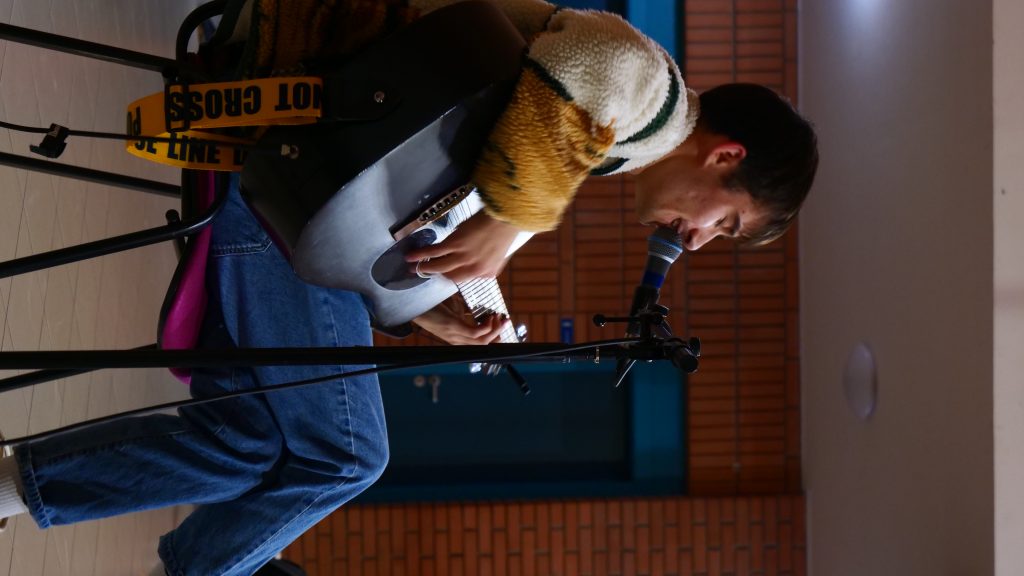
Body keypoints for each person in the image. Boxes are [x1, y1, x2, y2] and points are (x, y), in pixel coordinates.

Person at [0, 0, 818, 574]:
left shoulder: (604, 148)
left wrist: (430, 314)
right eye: (727, 223)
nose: (698, 239)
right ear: (726, 157)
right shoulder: (658, 103)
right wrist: (511, 220)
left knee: (253, 444)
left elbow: (404, 200)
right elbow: (595, 55)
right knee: (346, 457)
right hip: (294, 169)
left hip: (307, 184)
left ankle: (21, 493)